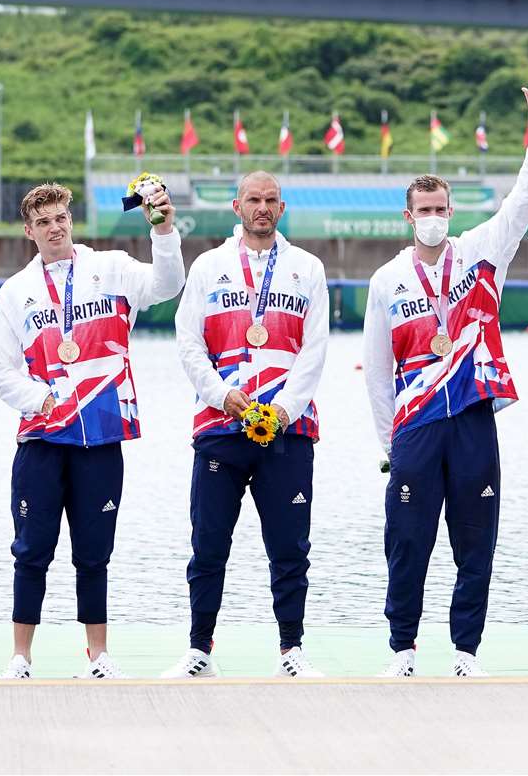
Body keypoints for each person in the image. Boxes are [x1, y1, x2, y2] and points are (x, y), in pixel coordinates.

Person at [363, 67, 528, 677]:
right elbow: (376, 369)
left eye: (441, 208)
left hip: (473, 414)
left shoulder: (482, 252)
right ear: (407, 214)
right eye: (423, 209)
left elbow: (525, 197)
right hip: (416, 425)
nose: (433, 217)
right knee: (408, 543)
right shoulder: (387, 280)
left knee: (475, 541)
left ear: (451, 211)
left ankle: (465, 650)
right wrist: (388, 443)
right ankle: (403, 648)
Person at [0, 181, 183, 680]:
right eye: (44, 222)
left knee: (94, 552)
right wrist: (40, 399)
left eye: (61, 219)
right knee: (31, 550)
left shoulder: (112, 267)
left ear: (70, 221)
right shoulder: (16, 291)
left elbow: (167, 285)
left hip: (100, 432)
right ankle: (20, 657)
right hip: (43, 438)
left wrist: (163, 229)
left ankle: (99, 657)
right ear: (29, 231)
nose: (55, 228)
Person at [167, 170, 331, 678]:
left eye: (271, 201)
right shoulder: (208, 266)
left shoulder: (307, 267)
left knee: (290, 547)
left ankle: (291, 651)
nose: (262, 208)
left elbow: (316, 347)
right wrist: (221, 394)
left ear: (282, 209)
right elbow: (188, 340)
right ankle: (199, 651)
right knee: (208, 544)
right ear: (236, 207)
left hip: (288, 431)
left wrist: (286, 408)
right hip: (220, 428)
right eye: (253, 200)